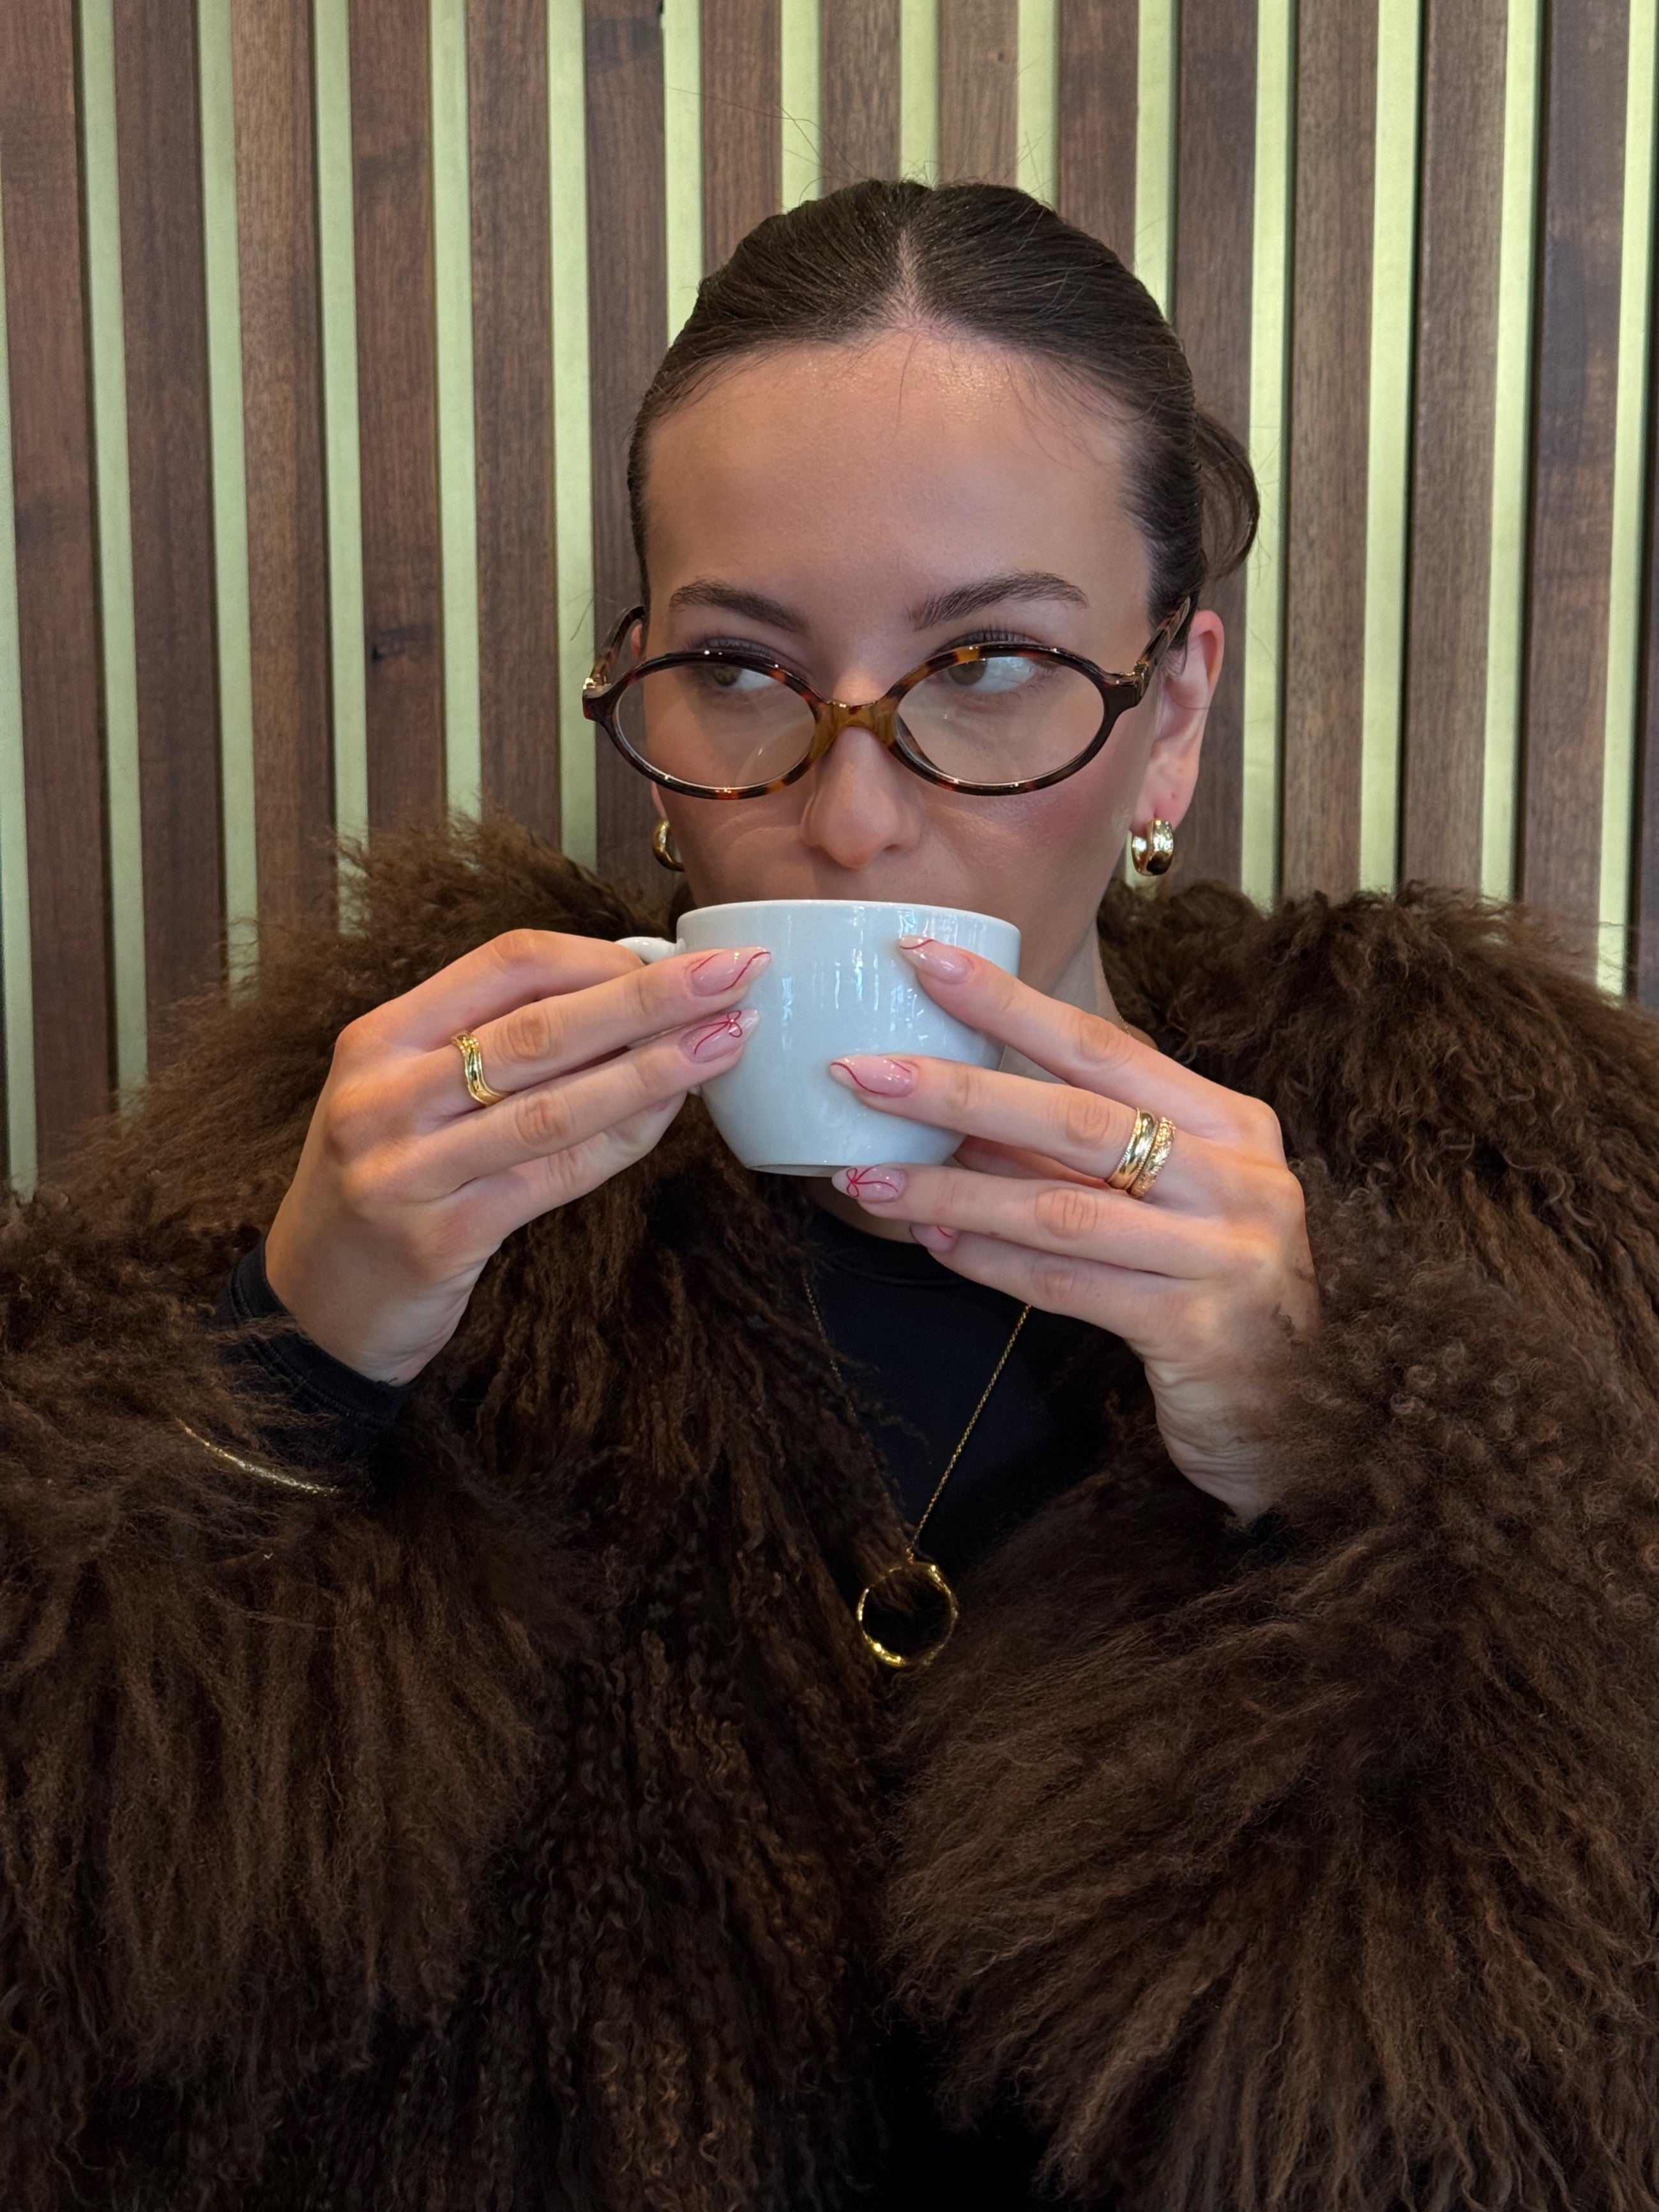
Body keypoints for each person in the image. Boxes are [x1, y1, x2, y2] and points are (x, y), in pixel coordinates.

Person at [4, 177, 1659, 2212]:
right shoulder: (360, 1175)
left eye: (989, 663)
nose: (847, 812)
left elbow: (1556, 2083)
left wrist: (1334, 1472)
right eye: (739, 669)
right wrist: (286, 1363)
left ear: (1173, 719)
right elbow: (93, 2022)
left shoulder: (1528, 1211)